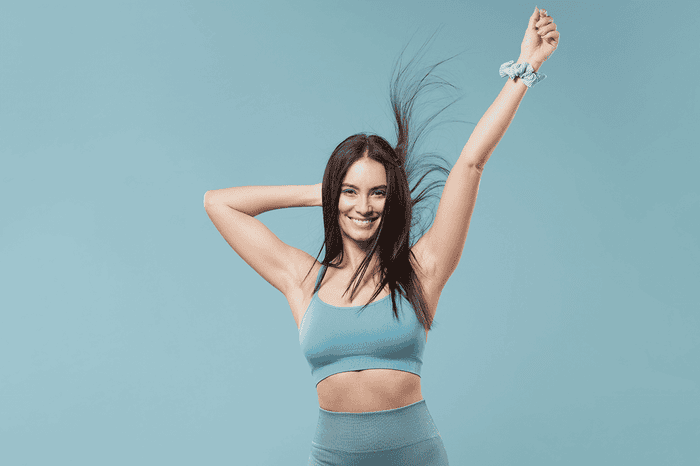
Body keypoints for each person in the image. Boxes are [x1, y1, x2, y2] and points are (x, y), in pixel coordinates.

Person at [204, 6, 559, 465]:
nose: (363, 206)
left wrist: (527, 66)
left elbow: (471, 161)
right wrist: (323, 192)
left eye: (377, 193)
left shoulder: (422, 269)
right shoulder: (301, 279)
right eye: (350, 192)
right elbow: (218, 203)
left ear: (392, 201)